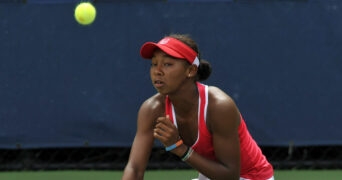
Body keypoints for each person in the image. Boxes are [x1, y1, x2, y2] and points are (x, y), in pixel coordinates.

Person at [122, 34, 274, 180]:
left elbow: (230, 176)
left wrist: (180, 148)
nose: (157, 71)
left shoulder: (219, 106)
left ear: (191, 70)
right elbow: (134, 168)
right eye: (154, 64)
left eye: (167, 64)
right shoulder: (152, 109)